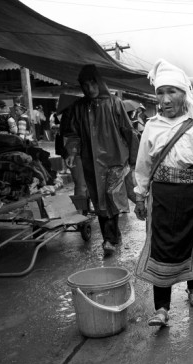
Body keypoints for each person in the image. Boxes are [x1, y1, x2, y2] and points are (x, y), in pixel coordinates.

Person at [133, 59, 193, 327]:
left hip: (192, 198)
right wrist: (140, 195)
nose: (164, 99)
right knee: (160, 248)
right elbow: (143, 165)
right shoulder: (151, 126)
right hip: (161, 197)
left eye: (171, 92)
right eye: (160, 93)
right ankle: (161, 308)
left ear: (184, 95)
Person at [65, 64, 139, 256]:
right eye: (85, 85)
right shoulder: (78, 108)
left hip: (115, 160)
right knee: (99, 200)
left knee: (111, 198)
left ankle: (110, 239)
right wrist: (72, 152)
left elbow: (128, 131)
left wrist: (133, 159)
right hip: (91, 163)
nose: (90, 89)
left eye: (93, 83)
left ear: (100, 83)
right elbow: (73, 134)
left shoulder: (115, 103)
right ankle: (112, 237)